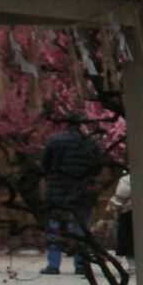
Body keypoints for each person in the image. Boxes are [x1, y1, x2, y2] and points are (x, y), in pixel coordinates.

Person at [39, 118, 103, 275]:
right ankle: (81, 263)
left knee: (55, 226)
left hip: (57, 189)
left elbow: (45, 164)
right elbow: (98, 166)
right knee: (81, 226)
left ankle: (53, 264)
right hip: (83, 190)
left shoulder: (54, 140)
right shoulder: (92, 142)